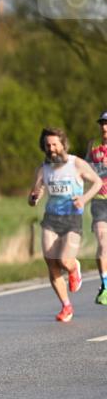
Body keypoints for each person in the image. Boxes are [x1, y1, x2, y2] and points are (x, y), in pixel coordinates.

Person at [28, 127, 103, 322]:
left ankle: (73, 268)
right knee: (51, 264)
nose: (51, 149)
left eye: (54, 144)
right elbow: (36, 192)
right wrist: (34, 198)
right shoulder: (43, 168)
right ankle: (66, 306)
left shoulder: (76, 163)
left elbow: (97, 182)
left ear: (62, 144)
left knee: (64, 261)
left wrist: (84, 199)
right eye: (47, 145)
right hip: (51, 220)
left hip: (71, 219)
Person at [86, 111, 107, 305]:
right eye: (102, 123)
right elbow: (84, 171)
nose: (105, 127)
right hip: (100, 200)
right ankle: (105, 286)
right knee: (102, 243)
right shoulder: (94, 147)